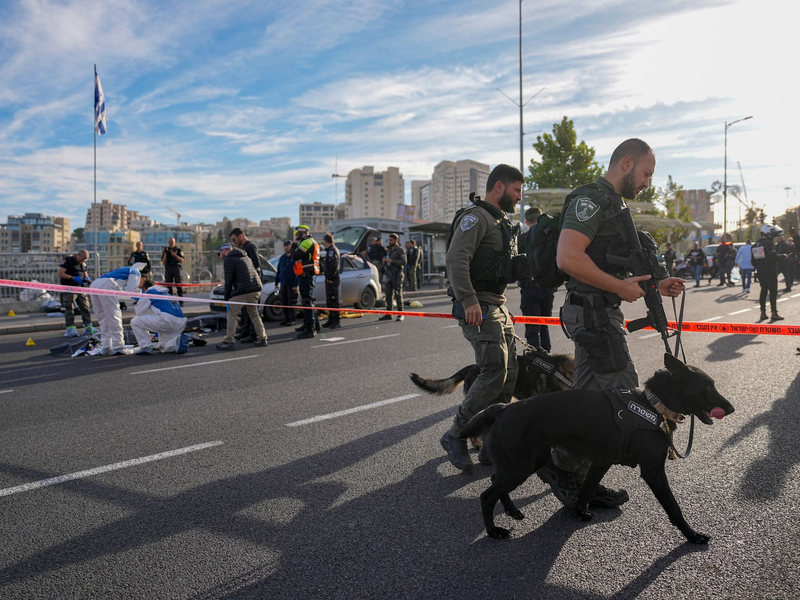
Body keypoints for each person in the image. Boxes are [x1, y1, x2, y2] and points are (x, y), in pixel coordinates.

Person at [544, 138, 685, 509]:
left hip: (600, 311)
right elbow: (567, 257)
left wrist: (657, 284)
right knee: (621, 403)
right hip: (592, 312)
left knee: (592, 405)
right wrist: (618, 287)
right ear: (626, 163)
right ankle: (567, 471)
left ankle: (571, 474)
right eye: (646, 173)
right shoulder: (591, 200)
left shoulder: (615, 205)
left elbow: (610, 261)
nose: (647, 183)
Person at [440, 164, 524, 472]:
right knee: (492, 372)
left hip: (497, 306)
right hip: (479, 306)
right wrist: (468, 299)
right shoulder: (475, 217)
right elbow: (455, 258)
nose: (518, 198)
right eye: (516, 191)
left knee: (509, 373)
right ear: (499, 187)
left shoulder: (499, 221)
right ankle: (455, 435)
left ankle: (492, 442)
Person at [216, 244, 268, 350]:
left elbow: (228, 280)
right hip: (256, 289)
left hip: (244, 290)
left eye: (219, 253)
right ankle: (262, 338)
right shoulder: (245, 256)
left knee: (231, 313)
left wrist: (227, 298)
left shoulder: (229, 260)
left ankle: (229, 341)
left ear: (224, 251)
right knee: (254, 313)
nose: (219, 255)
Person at [518, 207, 555, 351]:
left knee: (532, 327)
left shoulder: (522, 239)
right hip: (548, 289)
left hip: (529, 289)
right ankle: (547, 356)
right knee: (545, 325)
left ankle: (536, 359)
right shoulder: (550, 237)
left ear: (526, 222)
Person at [89, 264, 145, 355]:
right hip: (106, 285)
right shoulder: (135, 272)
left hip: (95, 284)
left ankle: (106, 346)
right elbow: (132, 291)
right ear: (143, 277)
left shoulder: (123, 270)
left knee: (103, 318)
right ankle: (118, 346)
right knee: (114, 316)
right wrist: (142, 296)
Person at [131, 280, 189, 354]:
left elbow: (139, 311)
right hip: (180, 322)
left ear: (145, 288)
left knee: (135, 321)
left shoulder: (149, 292)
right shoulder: (166, 293)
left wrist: (141, 299)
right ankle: (176, 342)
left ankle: (145, 346)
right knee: (165, 347)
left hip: (167, 320)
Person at [229, 228, 261, 342]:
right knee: (246, 311)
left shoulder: (250, 247)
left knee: (252, 311)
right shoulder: (243, 248)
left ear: (240, 236)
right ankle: (245, 332)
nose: (234, 242)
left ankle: (253, 335)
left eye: (234, 239)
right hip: (246, 284)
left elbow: (256, 263)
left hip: (252, 284)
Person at [57, 248, 95, 337]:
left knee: (85, 307)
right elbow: (61, 273)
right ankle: (70, 328)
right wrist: (72, 278)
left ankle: (88, 326)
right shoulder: (67, 261)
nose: (84, 261)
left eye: (85, 259)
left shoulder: (83, 263)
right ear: (78, 255)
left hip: (80, 288)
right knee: (69, 308)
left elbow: (85, 273)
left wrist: (86, 278)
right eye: (83, 258)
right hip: (69, 288)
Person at [291, 225, 321, 339]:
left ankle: (310, 329)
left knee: (307, 302)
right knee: (309, 301)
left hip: (307, 276)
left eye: (296, 234)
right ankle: (314, 325)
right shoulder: (310, 241)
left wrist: (294, 244)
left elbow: (295, 255)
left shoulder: (307, 242)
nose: (296, 237)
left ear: (301, 232)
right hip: (308, 275)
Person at [752, 225, 784, 322]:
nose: (773, 236)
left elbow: (753, 262)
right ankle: (774, 313)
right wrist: (782, 256)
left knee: (763, 291)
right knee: (773, 292)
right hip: (770, 270)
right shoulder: (769, 243)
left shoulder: (755, 245)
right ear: (767, 233)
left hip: (760, 272)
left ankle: (763, 312)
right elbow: (773, 257)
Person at [378, 233, 407, 322]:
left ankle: (400, 314)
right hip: (389, 275)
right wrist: (384, 261)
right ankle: (389, 313)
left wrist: (392, 261)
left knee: (398, 294)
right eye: (389, 240)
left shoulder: (400, 250)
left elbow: (404, 261)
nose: (389, 242)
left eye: (391, 240)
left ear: (396, 240)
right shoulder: (389, 250)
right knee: (388, 295)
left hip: (397, 275)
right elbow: (386, 261)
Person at [276, 239, 299, 326]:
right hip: (283, 284)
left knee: (291, 302)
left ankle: (293, 319)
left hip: (291, 284)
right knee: (284, 302)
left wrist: (295, 284)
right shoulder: (282, 258)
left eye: (288, 246)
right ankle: (286, 318)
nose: (286, 248)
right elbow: (279, 271)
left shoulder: (294, 258)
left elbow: (297, 272)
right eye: (285, 246)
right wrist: (276, 282)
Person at [321, 233, 341, 330]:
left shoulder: (332, 251)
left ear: (326, 241)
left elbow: (333, 265)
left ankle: (336, 321)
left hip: (332, 279)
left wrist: (329, 277)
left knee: (333, 300)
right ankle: (331, 319)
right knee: (329, 301)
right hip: (330, 279)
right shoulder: (330, 250)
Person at [161, 237, 185, 304]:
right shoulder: (166, 251)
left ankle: (181, 301)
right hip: (168, 268)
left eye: (172, 242)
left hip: (176, 268)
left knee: (178, 285)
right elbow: (163, 261)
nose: (171, 244)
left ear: (174, 243)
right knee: (169, 285)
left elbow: (182, 260)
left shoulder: (178, 250)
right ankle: (170, 301)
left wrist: (175, 256)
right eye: (169, 242)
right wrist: (165, 253)